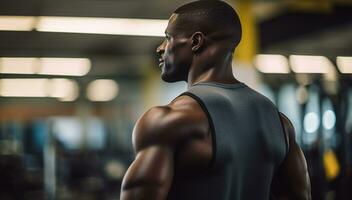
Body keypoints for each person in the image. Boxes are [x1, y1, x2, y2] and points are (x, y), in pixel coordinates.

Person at [120, 1, 311, 199]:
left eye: (168, 38)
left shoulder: (168, 120)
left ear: (196, 42)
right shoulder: (279, 123)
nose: (161, 48)